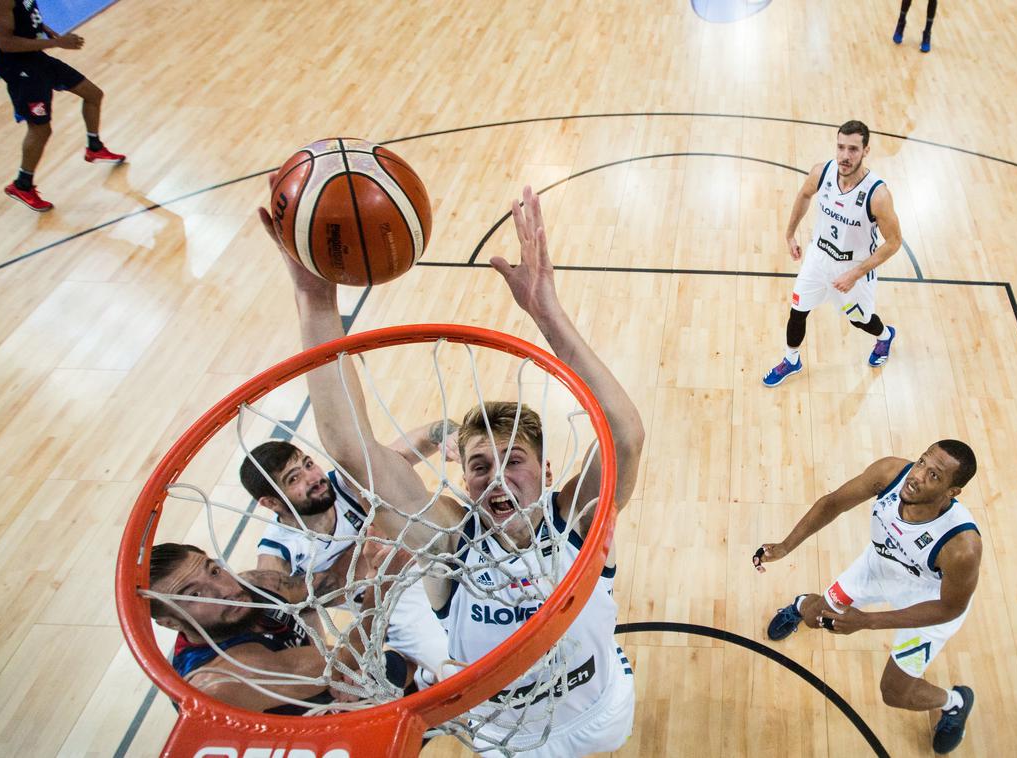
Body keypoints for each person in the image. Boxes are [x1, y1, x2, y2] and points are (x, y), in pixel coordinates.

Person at [255, 185, 645, 756]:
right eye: (480, 466)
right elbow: (352, 450)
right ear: (465, 481)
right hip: (502, 736)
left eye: (513, 461)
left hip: (598, 712)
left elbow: (626, 436)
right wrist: (315, 302)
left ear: (547, 471)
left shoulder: (576, 523)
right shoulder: (449, 544)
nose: (496, 477)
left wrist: (546, 311)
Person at [753, 441, 981, 754]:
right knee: (814, 616)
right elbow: (833, 504)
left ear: (952, 492)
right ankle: (799, 605)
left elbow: (950, 608)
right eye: (921, 462)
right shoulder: (890, 473)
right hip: (878, 568)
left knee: (894, 694)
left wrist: (867, 621)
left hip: (928, 604)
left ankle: (955, 702)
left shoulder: (961, 547)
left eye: (934, 476)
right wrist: (784, 547)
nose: (917, 476)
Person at [240, 429, 455, 678]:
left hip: (433, 565)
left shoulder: (347, 483)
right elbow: (301, 613)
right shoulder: (278, 554)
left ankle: (424, 677)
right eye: (294, 479)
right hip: (395, 606)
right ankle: (426, 675)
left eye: (309, 464)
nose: (313, 478)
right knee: (460, 670)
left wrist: (449, 434)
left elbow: (420, 440)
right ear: (271, 503)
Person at [146, 541, 412, 713]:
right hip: (301, 736)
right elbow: (354, 653)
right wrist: (384, 582)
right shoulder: (225, 678)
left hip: (313, 681)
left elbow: (332, 583)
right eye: (196, 595)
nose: (226, 590)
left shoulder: (254, 585)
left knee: (392, 670)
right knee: (393, 671)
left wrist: (374, 539)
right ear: (170, 623)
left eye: (214, 571)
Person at [763, 120, 903, 388]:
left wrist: (855, 273)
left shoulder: (878, 195)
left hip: (854, 270)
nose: (845, 156)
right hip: (818, 260)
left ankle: (884, 336)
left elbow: (894, 242)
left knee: (860, 320)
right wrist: (790, 234)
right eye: (841, 147)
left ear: (866, 151)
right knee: (797, 311)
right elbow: (804, 195)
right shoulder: (822, 172)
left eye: (853, 149)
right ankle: (791, 359)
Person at [0, 0, 125, 212]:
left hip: (34, 58)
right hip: (17, 65)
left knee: (93, 94)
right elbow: (7, 43)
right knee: (40, 129)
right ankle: (22, 185)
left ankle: (94, 148)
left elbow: (28, 18)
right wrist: (57, 44)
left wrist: (49, 32)